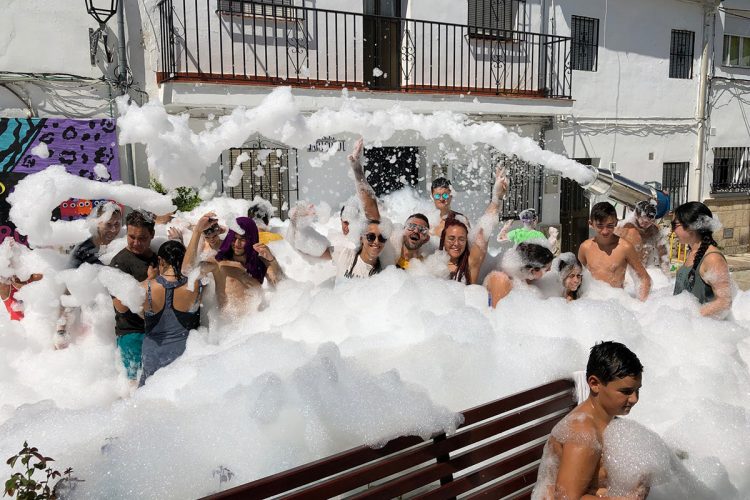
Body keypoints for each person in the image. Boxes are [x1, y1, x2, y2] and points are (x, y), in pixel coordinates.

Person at [532, 341, 647, 500]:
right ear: (594, 384)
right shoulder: (583, 435)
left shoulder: (608, 422)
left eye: (637, 390)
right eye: (626, 391)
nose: (634, 399)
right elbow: (564, 499)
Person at [139, 241, 206, 386]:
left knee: (147, 399)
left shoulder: (146, 287)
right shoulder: (195, 284)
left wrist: (150, 278)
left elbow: (125, 305)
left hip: (153, 354)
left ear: (160, 261)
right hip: (185, 353)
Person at [110, 209, 159, 384]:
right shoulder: (119, 263)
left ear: (152, 234)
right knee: (134, 387)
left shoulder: (156, 257)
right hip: (132, 335)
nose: (136, 242)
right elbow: (120, 306)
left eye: (142, 238)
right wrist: (148, 280)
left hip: (156, 332)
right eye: (131, 237)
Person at [439, 167, 509, 284]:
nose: (456, 244)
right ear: (443, 239)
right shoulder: (432, 265)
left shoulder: (470, 263)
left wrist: (497, 198)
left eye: (461, 239)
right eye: (451, 238)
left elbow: (484, 229)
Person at [578, 202, 651, 301]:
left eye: (610, 226)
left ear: (616, 223)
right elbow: (576, 277)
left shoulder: (625, 247)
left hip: (616, 304)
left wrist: (641, 306)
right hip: (591, 302)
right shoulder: (585, 248)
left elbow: (644, 278)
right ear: (591, 224)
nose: (605, 231)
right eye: (600, 226)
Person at [672, 201, 732, 318]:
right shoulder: (692, 251)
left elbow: (724, 302)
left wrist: (691, 317)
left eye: (674, 225)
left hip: (701, 329)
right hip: (684, 328)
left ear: (691, 227)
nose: (672, 231)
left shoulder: (713, 258)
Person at [484, 241, 555, 306]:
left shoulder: (524, 279)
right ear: (532, 270)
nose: (550, 270)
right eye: (547, 269)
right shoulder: (501, 280)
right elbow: (494, 315)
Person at [615, 200, 669, 273]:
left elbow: (663, 251)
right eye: (644, 217)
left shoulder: (653, 230)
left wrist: (665, 267)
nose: (646, 221)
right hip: (626, 272)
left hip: (645, 270)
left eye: (650, 219)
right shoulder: (626, 227)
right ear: (637, 214)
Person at [70, 202, 122, 267]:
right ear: (98, 223)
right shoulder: (83, 251)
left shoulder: (123, 244)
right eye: (108, 224)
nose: (113, 229)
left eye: (117, 224)